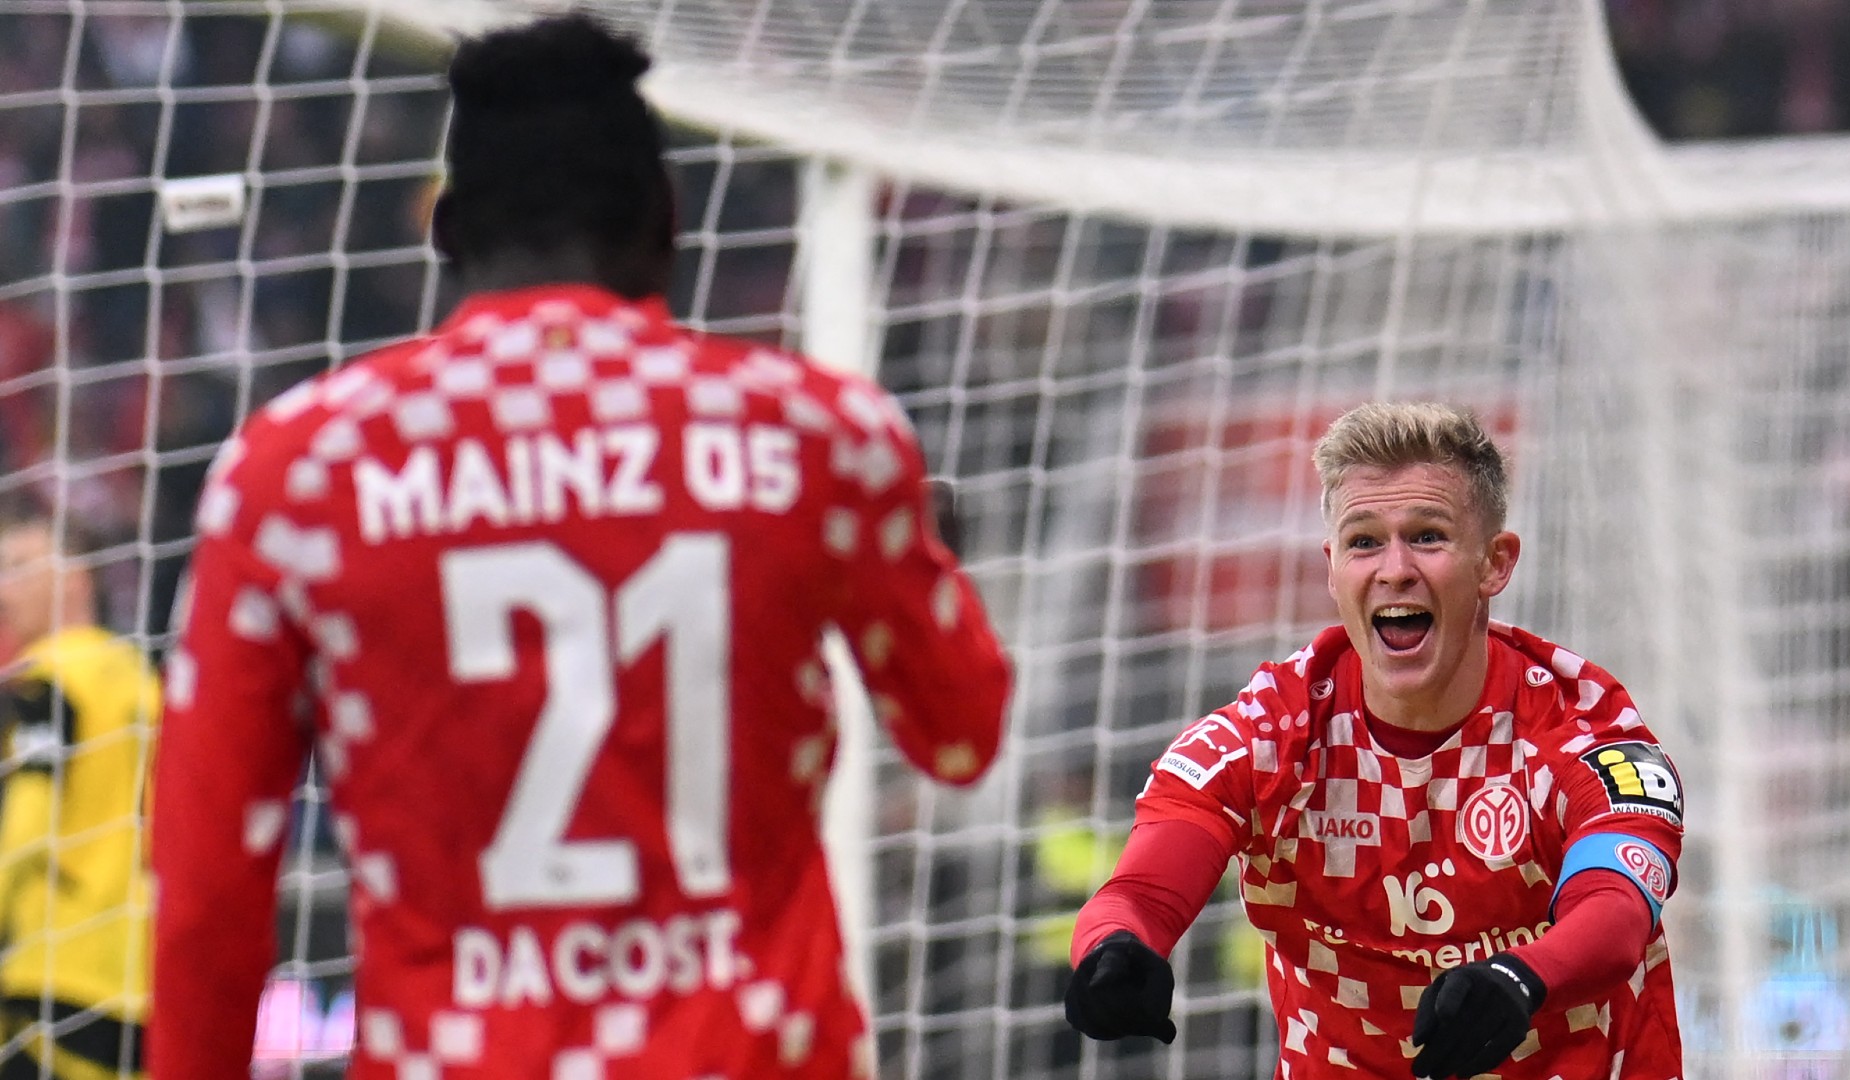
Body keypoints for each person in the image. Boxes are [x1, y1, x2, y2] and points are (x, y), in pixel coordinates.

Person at [148, 15, 1011, 1079]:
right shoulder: (818, 437)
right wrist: (923, 558)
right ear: (665, 221)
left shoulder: (295, 472)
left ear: (449, 229)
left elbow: (205, 888)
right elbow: (963, 734)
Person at [1064, 402, 1685, 1079]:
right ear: (1332, 569)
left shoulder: (1583, 727)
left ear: (1495, 564)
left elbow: (1617, 910)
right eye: (1364, 542)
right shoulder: (1269, 736)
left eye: (1427, 536)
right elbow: (1141, 894)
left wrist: (1519, 978)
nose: (1394, 569)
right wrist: (1114, 950)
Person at [0, 509, 157, 1080]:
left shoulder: (46, 678)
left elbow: (26, 827)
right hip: (138, 979)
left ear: (75, 577)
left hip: (52, 970)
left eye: (18, 566)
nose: (3, 586)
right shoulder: (146, 682)